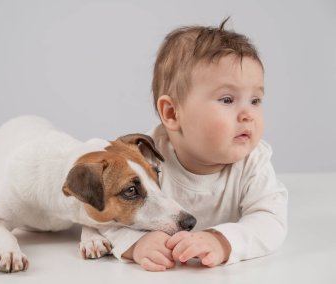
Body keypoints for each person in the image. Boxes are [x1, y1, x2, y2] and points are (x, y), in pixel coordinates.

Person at [101, 18, 288, 272]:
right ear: (172, 114)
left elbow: (271, 221)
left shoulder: (253, 162)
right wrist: (136, 242)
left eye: (255, 100)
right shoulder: (145, 159)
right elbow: (101, 215)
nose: (248, 115)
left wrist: (222, 241)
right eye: (227, 99)